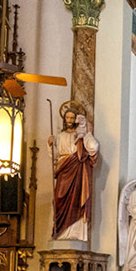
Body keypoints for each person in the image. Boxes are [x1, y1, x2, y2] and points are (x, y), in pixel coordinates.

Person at [49, 102, 99, 243]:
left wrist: (86, 135)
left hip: (77, 170)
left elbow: (93, 148)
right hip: (63, 170)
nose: (70, 120)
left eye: (72, 118)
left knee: (76, 199)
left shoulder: (81, 136)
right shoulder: (59, 136)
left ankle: (75, 233)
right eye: (68, 117)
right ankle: (61, 232)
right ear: (64, 119)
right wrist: (50, 145)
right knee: (60, 198)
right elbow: (54, 158)